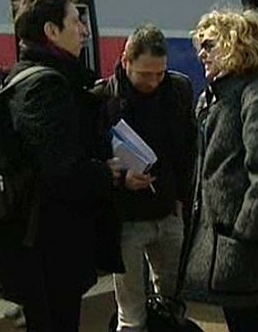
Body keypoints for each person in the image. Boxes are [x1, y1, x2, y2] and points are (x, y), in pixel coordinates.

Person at [0, 0, 122, 332]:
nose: (84, 30)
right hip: (48, 248)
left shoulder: (28, 77)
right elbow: (63, 172)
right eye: (75, 21)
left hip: (40, 243)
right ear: (51, 31)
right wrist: (106, 172)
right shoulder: (45, 87)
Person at [180, 9, 258, 332]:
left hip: (246, 249)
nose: (202, 54)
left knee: (253, 321)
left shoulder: (257, 95)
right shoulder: (215, 98)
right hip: (226, 244)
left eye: (210, 45)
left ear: (237, 45)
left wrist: (245, 233)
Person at [93, 24, 196, 332]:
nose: (153, 81)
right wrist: (120, 177)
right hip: (126, 220)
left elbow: (188, 149)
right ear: (126, 61)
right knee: (132, 312)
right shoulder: (102, 98)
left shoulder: (179, 89)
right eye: (145, 74)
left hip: (168, 213)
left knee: (175, 303)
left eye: (160, 73)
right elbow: (93, 157)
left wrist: (182, 200)